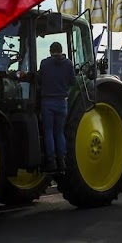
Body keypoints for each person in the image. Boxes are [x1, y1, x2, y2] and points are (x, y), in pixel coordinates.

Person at [38, 41, 74, 172]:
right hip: (62, 102)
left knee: (48, 132)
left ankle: (51, 161)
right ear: (61, 50)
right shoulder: (69, 64)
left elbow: (39, 80)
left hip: (47, 102)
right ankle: (62, 160)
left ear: (50, 51)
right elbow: (72, 81)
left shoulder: (45, 63)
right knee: (59, 132)